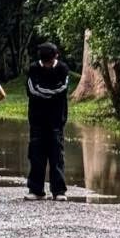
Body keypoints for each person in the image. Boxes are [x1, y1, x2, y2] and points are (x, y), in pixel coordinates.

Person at [26, 42, 69, 199]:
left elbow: (62, 89)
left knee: (57, 155)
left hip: (57, 120)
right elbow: (31, 90)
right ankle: (36, 190)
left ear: (56, 56)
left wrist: (44, 93)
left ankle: (59, 191)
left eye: (49, 62)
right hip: (37, 120)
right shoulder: (33, 68)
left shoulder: (63, 69)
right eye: (45, 62)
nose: (47, 65)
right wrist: (50, 94)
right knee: (36, 155)